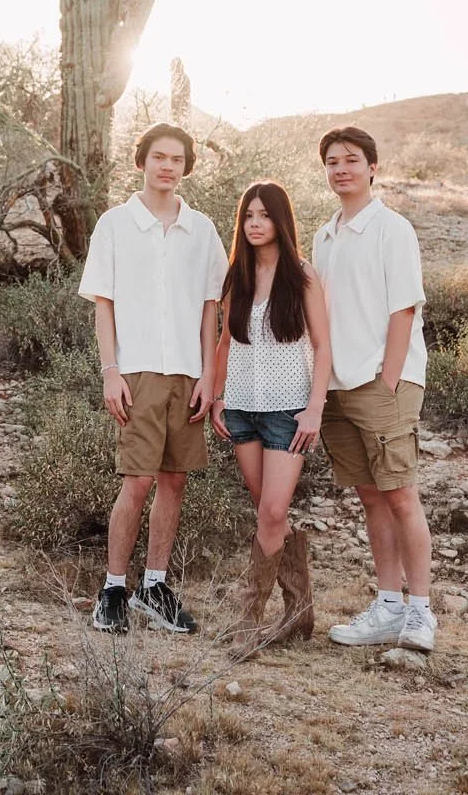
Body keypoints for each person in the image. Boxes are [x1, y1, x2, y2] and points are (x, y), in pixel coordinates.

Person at [78, 122, 228, 635]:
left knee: (175, 479)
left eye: (177, 159)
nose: (167, 166)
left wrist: (209, 375)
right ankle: (113, 588)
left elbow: (212, 309)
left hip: (187, 371)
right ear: (142, 161)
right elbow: (104, 304)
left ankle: (154, 587)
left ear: (186, 167)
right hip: (136, 369)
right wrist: (110, 371)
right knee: (138, 480)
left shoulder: (202, 229)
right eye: (159, 157)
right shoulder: (115, 225)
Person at [312, 126, 437, 654]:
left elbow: (404, 308)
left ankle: (421, 613)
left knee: (401, 495)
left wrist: (388, 380)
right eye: (333, 161)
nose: (342, 168)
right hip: (340, 385)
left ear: (372, 168)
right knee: (370, 497)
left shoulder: (393, 229)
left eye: (352, 160)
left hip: (384, 381)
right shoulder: (323, 236)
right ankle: (388, 605)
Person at [212, 181, 331, 659]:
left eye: (264, 215)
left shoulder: (301, 276)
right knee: (267, 510)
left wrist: (315, 408)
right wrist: (218, 397)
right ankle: (299, 607)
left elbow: (323, 347)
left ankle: (248, 617)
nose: (255, 223)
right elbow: (225, 343)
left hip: (288, 410)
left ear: (281, 221)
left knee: (273, 513)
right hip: (241, 407)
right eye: (248, 216)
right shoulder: (236, 276)